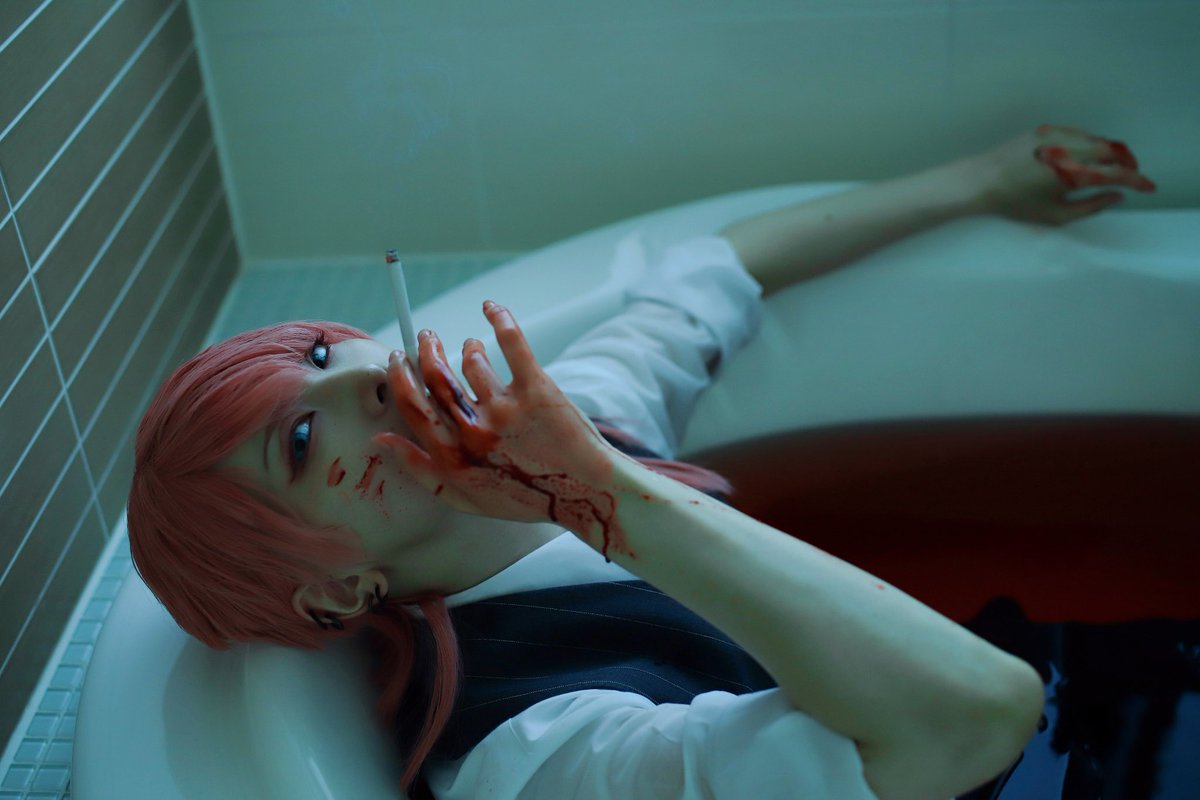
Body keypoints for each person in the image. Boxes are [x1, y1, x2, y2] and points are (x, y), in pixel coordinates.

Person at [127, 123, 1156, 800]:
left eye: (320, 353)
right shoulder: (535, 747)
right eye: (303, 441)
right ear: (337, 590)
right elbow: (974, 716)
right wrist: (599, 491)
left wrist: (984, 182)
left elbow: (715, 273)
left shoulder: (574, 432)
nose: (364, 379)